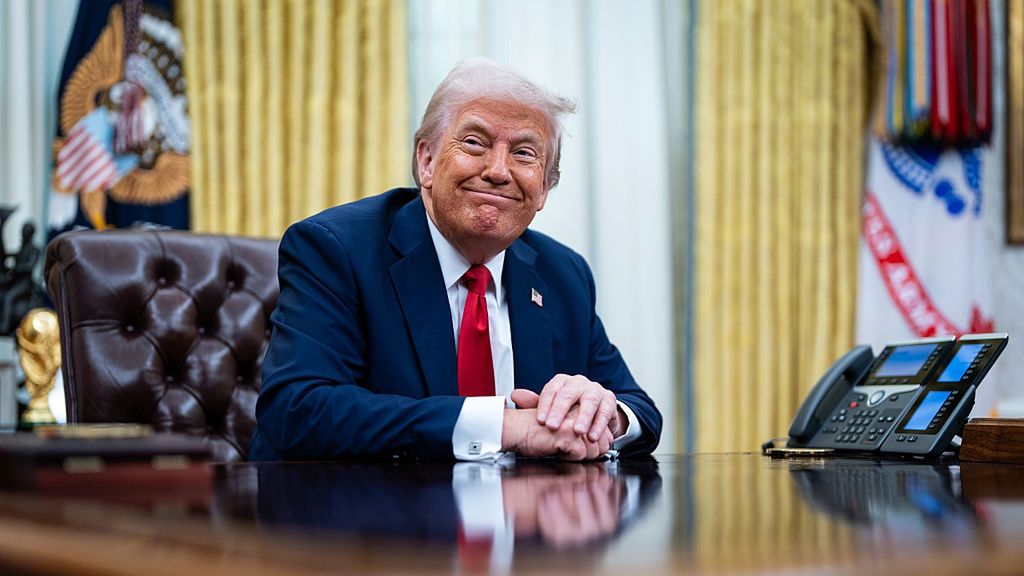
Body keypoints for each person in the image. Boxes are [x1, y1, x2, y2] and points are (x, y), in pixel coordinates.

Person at [249, 58, 661, 462]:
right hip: (363, 505)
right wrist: (504, 427)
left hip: (524, 506)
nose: (498, 171)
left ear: (543, 190)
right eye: (475, 143)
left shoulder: (562, 273)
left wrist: (603, 416)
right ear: (426, 161)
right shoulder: (336, 249)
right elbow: (298, 409)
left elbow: (640, 410)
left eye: (523, 153)